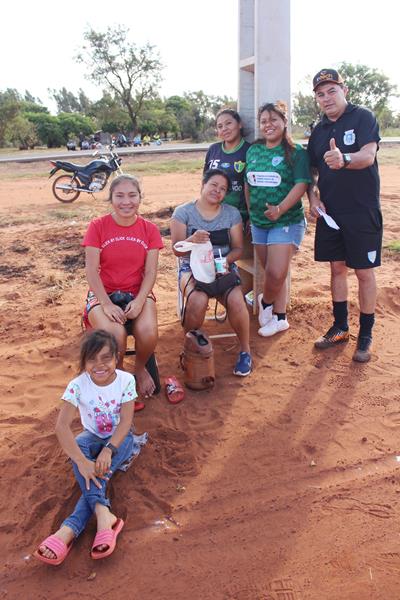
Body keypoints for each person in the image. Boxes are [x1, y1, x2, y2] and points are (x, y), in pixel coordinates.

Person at [34, 329, 147, 565]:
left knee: (100, 472)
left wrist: (109, 450)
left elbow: (126, 422)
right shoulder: (77, 385)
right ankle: (104, 516)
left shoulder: (126, 380)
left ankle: (69, 529)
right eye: (92, 359)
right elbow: (61, 427)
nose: (99, 365)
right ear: (84, 362)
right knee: (79, 445)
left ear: (117, 356)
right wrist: (83, 462)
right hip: (92, 436)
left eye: (106, 358)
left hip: (119, 439)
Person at [307, 69, 382, 363]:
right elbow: (312, 171)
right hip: (331, 213)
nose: (326, 98)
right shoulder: (319, 130)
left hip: (362, 211)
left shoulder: (362, 117)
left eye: (331, 91)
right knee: (337, 269)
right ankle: (340, 327)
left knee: (363, 272)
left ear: (344, 90)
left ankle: (366, 333)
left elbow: (368, 155)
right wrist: (313, 198)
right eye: (320, 94)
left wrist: (344, 159)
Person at [82, 174, 163, 406]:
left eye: (132, 195)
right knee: (115, 334)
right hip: (102, 294)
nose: (126, 201)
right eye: (119, 196)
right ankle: (118, 380)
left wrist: (138, 301)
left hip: (138, 292)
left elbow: (150, 273)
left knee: (147, 330)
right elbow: (91, 271)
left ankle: (138, 370)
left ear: (140, 198)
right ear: (111, 199)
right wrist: (106, 303)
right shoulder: (98, 226)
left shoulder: (149, 229)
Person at [170, 169, 252, 377]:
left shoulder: (231, 214)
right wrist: (191, 240)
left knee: (236, 301)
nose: (217, 191)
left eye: (223, 189)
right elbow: (177, 249)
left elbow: (238, 249)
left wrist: (225, 261)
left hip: (222, 266)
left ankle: (245, 351)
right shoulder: (183, 212)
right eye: (214, 185)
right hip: (192, 268)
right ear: (203, 184)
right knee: (197, 301)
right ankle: (192, 348)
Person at [245, 101, 311, 337]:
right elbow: (248, 182)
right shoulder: (254, 150)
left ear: (284, 122)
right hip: (259, 223)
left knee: (275, 273)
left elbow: (302, 183)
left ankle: (265, 302)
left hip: (286, 221)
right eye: (264, 121)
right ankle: (280, 318)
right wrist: (251, 214)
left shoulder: (296, 152)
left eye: (274, 119)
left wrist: (281, 209)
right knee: (273, 271)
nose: (268, 125)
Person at [204, 108, 251, 223]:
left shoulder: (250, 150)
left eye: (228, 123)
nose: (224, 129)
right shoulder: (213, 149)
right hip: (213, 213)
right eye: (220, 126)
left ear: (239, 124)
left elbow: (252, 187)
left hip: (240, 215)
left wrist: (251, 216)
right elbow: (204, 182)